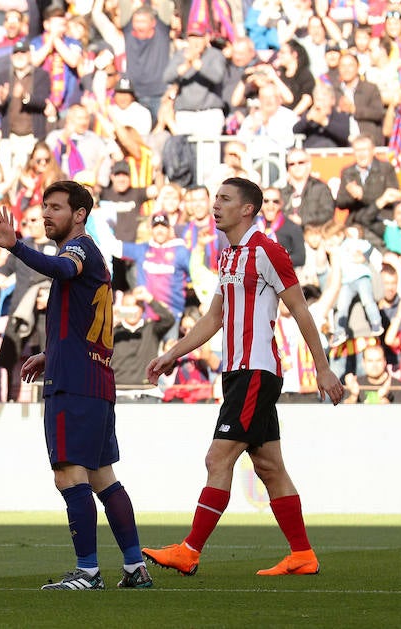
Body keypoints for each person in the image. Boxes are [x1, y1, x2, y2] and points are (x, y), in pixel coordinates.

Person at [141, 177, 344, 577]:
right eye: (215, 197)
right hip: (238, 372)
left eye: (224, 198)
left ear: (247, 208)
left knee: (217, 458)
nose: (215, 204)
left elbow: (301, 310)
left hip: (257, 371)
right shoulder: (229, 256)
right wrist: (171, 355)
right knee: (269, 467)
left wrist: (321, 366)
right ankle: (302, 554)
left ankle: (190, 550)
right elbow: (215, 318)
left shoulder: (267, 251)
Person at [0, 182, 152, 590]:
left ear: (79, 214)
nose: (47, 214)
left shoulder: (79, 249)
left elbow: (63, 269)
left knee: (68, 474)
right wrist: (51, 352)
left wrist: (17, 247)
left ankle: (88, 572)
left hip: (75, 383)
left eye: (56, 207)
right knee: (102, 477)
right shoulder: (89, 254)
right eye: (44, 206)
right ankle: (134, 567)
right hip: (92, 378)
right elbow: (82, 318)